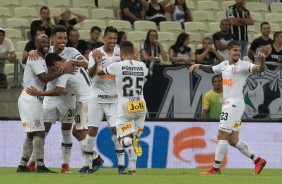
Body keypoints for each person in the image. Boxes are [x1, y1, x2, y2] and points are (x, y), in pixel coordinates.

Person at [189, 40, 267, 175]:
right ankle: (258, 160)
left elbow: (259, 69)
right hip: (233, 105)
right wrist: (199, 65)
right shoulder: (224, 65)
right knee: (233, 139)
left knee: (222, 135)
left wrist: (262, 62)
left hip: (233, 104)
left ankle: (215, 169)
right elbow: (211, 69)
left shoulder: (243, 65)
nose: (238, 53)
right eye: (235, 50)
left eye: (239, 50)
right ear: (228, 51)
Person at [26, 25, 92, 174]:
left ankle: (65, 165)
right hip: (51, 96)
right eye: (60, 38)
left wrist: (72, 62)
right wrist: (31, 52)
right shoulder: (45, 51)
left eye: (65, 38)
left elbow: (86, 63)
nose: (63, 41)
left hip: (68, 98)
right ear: (52, 39)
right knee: (43, 132)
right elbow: (29, 58)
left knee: (67, 131)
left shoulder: (72, 52)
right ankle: (32, 162)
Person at [95, 40, 148, 175]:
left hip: (125, 106)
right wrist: (135, 57)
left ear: (122, 53)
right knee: (136, 136)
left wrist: (99, 61)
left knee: (121, 139)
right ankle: (133, 168)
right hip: (141, 105)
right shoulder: (142, 65)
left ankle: (131, 140)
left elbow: (100, 72)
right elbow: (144, 71)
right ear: (134, 52)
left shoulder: (117, 66)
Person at [17, 34, 67, 173]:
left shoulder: (43, 56)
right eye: (41, 42)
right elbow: (44, 78)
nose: (45, 44)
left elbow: (55, 52)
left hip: (34, 98)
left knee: (32, 133)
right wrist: (62, 71)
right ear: (35, 43)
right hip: (30, 98)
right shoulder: (35, 58)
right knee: (39, 132)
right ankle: (40, 165)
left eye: (46, 42)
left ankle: (22, 164)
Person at [81, 26, 126, 174]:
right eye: (109, 38)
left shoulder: (121, 53)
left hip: (114, 98)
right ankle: (87, 165)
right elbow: (90, 74)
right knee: (92, 129)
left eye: (114, 38)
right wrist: (97, 63)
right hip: (97, 97)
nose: (112, 41)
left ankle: (121, 166)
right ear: (104, 38)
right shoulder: (96, 53)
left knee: (116, 129)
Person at [253, 31, 282, 119]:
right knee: (270, 93)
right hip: (268, 75)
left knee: (277, 94)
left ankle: (265, 110)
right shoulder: (267, 48)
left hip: (279, 76)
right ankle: (263, 111)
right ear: (276, 38)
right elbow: (258, 60)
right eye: (281, 37)